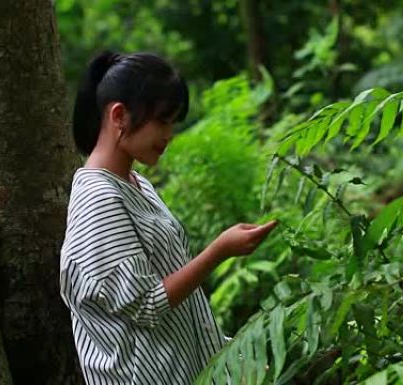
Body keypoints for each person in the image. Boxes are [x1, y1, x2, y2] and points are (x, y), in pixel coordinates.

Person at [59, 51, 278, 385]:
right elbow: (148, 304)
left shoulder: (136, 184)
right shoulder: (98, 199)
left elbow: (175, 309)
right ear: (119, 115)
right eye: (162, 120)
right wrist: (219, 251)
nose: (170, 133)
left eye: (173, 122)